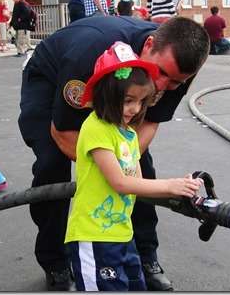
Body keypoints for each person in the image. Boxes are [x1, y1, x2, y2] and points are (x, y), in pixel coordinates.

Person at [18, 15, 209, 292]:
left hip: (118, 91)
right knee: (51, 163)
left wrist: (125, 164)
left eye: (175, 82)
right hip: (52, 78)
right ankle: (56, 261)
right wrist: (107, 168)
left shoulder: (179, 70)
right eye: (162, 74)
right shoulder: (84, 56)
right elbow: (62, 132)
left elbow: (149, 123)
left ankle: (146, 256)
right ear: (150, 45)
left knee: (141, 167)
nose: (163, 85)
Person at [64, 41, 204, 291]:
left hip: (122, 234)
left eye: (141, 101)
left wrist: (179, 187)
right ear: (107, 93)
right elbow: (119, 182)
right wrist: (169, 185)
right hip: (94, 236)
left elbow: (138, 185)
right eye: (128, 100)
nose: (135, 109)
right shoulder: (96, 128)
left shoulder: (127, 133)